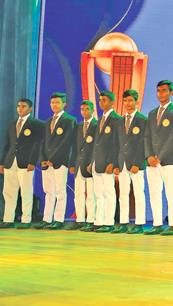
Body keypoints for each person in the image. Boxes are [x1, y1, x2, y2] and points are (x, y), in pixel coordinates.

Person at [144, 80, 173, 235]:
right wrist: (149, 156)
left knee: (170, 192)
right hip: (151, 161)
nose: (161, 93)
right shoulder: (152, 113)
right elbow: (147, 136)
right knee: (154, 193)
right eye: (159, 90)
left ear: (171, 93)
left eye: (164, 90)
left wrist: (159, 157)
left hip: (167, 160)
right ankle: (157, 223)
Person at [0, 99, 44, 229]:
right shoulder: (12, 124)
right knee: (8, 191)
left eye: (23, 106)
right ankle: (8, 219)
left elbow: (37, 145)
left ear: (30, 109)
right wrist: (2, 162)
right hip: (10, 161)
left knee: (25, 191)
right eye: (18, 106)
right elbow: (7, 144)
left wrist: (32, 161)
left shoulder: (36, 124)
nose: (20, 108)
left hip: (26, 162)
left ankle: (26, 219)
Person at [108, 90, 147, 234]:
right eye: (125, 101)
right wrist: (115, 164)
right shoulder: (119, 122)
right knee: (123, 193)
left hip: (136, 163)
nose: (128, 103)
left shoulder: (142, 120)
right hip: (121, 162)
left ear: (136, 101)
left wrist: (138, 162)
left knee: (138, 193)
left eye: (131, 100)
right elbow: (115, 144)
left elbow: (143, 143)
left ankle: (139, 223)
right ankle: (123, 222)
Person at [37, 93, 76, 230]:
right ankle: (46, 219)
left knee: (60, 191)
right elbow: (43, 142)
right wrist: (43, 159)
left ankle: (58, 219)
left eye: (57, 102)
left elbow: (66, 142)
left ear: (64, 104)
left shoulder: (69, 120)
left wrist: (52, 159)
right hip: (46, 163)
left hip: (60, 161)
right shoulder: (48, 121)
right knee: (49, 191)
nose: (54, 105)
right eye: (52, 102)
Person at [90, 91, 121, 232]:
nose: (101, 102)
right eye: (100, 100)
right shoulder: (100, 119)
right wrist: (92, 161)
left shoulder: (116, 119)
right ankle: (98, 220)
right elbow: (96, 143)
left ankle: (109, 222)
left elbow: (117, 143)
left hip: (108, 162)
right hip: (98, 161)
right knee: (98, 193)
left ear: (112, 102)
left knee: (109, 192)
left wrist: (112, 162)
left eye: (104, 100)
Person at [67, 101, 97, 231]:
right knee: (78, 194)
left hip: (90, 164)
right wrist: (72, 163)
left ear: (92, 110)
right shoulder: (79, 126)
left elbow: (97, 147)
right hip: (78, 164)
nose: (84, 112)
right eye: (82, 109)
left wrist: (93, 162)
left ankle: (91, 219)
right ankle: (79, 219)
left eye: (87, 109)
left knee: (91, 194)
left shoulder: (96, 126)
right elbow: (75, 147)